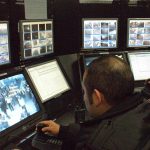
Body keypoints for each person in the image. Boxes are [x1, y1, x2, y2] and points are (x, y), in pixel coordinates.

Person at [35, 56, 150, 150]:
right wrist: (62, 131)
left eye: (84, 91)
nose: (84, 97)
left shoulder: (99, 145)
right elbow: (98, 129)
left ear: (97, 97)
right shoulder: (142, 106)